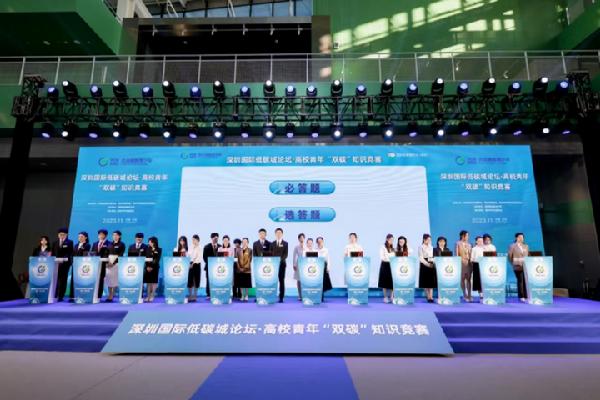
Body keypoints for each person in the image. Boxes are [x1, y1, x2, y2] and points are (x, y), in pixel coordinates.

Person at [52, 227, 73, 302]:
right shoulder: (55, 243)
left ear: (66, 235)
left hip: (65, 264)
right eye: (60, 234)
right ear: (58, 235)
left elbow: (70, 253)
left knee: (63, 280)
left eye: (63, 234)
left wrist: (63, 259)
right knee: (55, 279)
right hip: (55, 264)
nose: (61, 235)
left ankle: (60, 296)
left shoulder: (69, 242)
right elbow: (53, 253)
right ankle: (54, 294)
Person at [508, 232, 529, 302]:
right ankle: (521, 296)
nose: (521, 238)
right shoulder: (512, 246)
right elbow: (509, 256)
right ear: (516, 238)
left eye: (522, 237)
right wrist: (513, 263)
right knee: (520, 280)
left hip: (525, 266)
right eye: (520, 237)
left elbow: (527, 255)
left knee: (525, 281)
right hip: (517, 265)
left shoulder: (526, 246)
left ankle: (526, 295)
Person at [105, 230, 125, 302]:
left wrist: (113, 263)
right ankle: (110, 294)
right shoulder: (109, 244)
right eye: (113, 235)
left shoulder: (122, 244)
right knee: (109, 280)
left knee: (115, 280)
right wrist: (107, 262)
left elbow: (120, 255)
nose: (114, 236)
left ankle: (112, 295)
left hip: (116, 264)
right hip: (109, 263)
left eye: (116, 235)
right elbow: (106, 253)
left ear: (119, 236)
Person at [270, 228, 289, 303]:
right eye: (277, 233)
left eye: (280, 233)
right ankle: (271, 296)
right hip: (273, 265)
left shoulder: (285, 243)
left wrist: (279, 260)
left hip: (282, 264)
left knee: (281, 280)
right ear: (275, 234)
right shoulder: (272, 243)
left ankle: (281, 297)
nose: (278, 234)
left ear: (282, 234)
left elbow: (285, 254)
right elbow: (270, 253)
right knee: (272, 281)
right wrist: (274, 261)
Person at [91, 229, 110, 299]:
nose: (100, 236)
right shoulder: (95, 244)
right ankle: (93, 294)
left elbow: (109, 253)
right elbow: (92, 253)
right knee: (94, 278)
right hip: (95, 264)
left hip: (104, 264)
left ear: (105, 235)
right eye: (99, 234)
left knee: (101, 279)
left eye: (102, 234)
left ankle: (99, 295)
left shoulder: (109, 243)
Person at [455, 230, 473, 302]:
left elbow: (471, 254)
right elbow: (456, 255)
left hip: (469, 263)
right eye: (467, 235)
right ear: (462, 236)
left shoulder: (469, 244)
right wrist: (459, 262)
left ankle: (469, 295)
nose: (468, 237)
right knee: (462, 279)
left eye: (468, 236)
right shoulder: (458, 243)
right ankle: (464, 295)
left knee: (469, 279)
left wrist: (471, 262)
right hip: (461, 263)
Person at [378, 234, 395, 303]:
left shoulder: (393, 248)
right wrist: (389, 259)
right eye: (390, 239)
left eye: (392, 240)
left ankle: (392, 297)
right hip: (385, 265)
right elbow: (382, 257)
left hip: (392, 266)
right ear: (387, 239)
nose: (391, 241)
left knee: (392, 282)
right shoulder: (383, 247)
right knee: (384, 282)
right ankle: (385, 297)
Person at [419, 234, 436, 303]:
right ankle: (428, 296)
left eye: (430, 240)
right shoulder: (421, 247)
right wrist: (427, 264)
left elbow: (432, 256)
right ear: (424, 239)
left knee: (431, 282)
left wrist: (433, 262)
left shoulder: (431, 247)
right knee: (425, 281)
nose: (429, 241)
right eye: (428, 240)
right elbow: (421, 258)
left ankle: (431, 297)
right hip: (424, 264)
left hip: (431, 263)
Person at [144, 236, 161, 302]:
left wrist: (152, 267)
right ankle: (148, 296)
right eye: (149, 242)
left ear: (154, 242)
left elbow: (157, 259)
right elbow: (146, 258)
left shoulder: (159, 249)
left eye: (150, 241)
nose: (149, 243)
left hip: (155, 268)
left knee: (154, 282)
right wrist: (148, 267)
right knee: (148, 282)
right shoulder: (147, 249)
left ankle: (152, 296)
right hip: (147, 268)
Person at [203, 233, 220, 299]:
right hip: (209, 267)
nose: (215, 239)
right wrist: (211, 264)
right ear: (211, 238)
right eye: (214, 238)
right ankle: (209, 294)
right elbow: (204, 257)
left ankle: (217, 293)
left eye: (217, 238)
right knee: (209, 280)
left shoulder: (220, 246)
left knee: (217, 280)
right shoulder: (206, 247)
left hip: (218, 268)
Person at [316, 237, 332, 302]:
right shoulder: (315, 250)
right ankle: (318, 296)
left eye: (321, 241)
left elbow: (328, 259)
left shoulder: (326, 250)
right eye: (318, 241)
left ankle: (321, 296)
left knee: (323, 281)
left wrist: (328, 267)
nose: (320, 242)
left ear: (323, 242)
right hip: (317, 266)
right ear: (317, 242)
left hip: (324, 266)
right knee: (318, 281)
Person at [188, 234, 202, 302]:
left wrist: (193, 263)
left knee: (196, 280)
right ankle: (190, 295)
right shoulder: (190, 247)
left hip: (197, 265)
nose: (193, 241)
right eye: (192, 240)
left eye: (194, 240)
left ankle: (195, 296)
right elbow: (189, 255)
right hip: (190, 265)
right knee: (190, 280)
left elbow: (199, 257)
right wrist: (190, 263)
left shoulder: (200, 248)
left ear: (198, 240)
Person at [471, 236, 485, 301]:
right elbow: (471, 259)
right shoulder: (474, 249)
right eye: (479, 241)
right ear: (476, 241)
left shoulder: (485, 248)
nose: (481, 242)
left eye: (482, 241)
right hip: (476, 265)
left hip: (485, 265)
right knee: (478, 281)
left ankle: (486, 294)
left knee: (484, 280)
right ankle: (481, 295)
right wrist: (478, 260)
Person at [292, 233, 305, 301]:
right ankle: (300, 295)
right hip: (299, 264)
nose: (301, 239)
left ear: (304, 238)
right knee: (299, 280)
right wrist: (294, 264)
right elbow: (294, 256)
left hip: (306, 264)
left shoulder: (307, 246)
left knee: (305, 280)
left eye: (302, 237)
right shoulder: (296, 247)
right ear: (298, 239)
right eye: (300, 238)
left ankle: (305, 295)